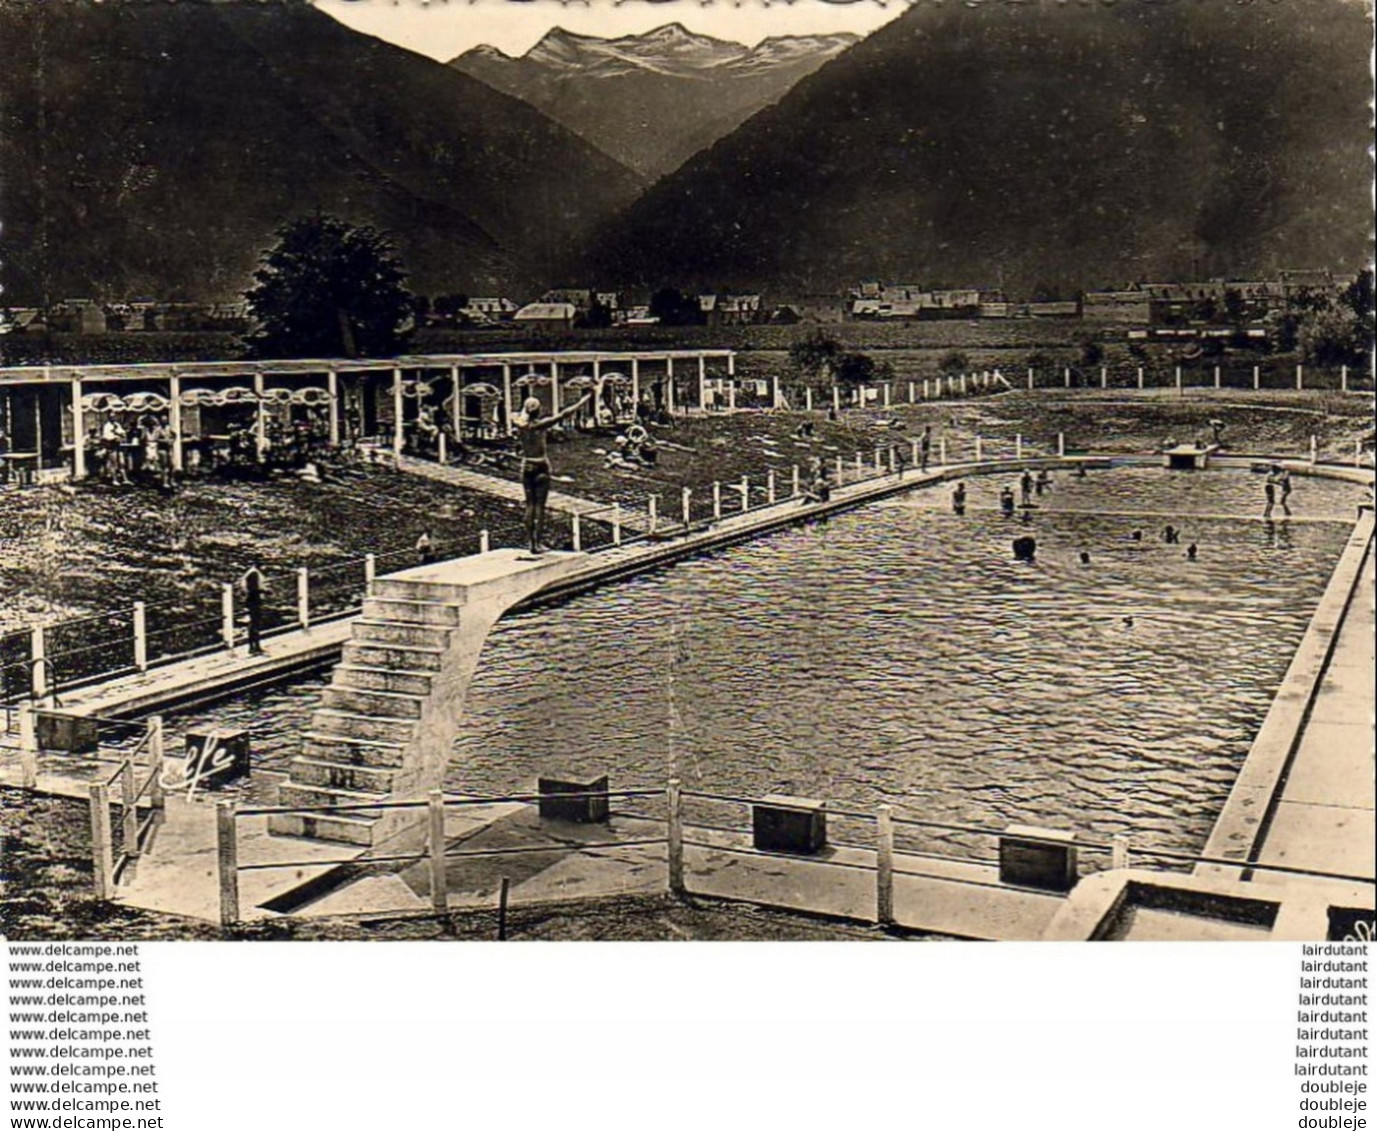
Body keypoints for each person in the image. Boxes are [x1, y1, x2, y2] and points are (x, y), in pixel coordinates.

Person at [515, 393, 591, 554]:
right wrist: (584, 398)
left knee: (529, 504)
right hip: (540, 464)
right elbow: (564, 414)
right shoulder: (541, 425)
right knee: (540, 507)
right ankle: (538, 543)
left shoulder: (520, 425)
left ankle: (531, 543)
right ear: (538, 410)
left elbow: (516, 416)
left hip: (526, 463)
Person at [239, 564, 267, 656]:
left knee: (254, 624)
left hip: (252, 600)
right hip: (254, 601)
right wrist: (265, 591)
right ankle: (254, 647)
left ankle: (255, 646)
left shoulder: (252, 573)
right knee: (254, 624)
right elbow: (254, 589)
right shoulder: (254, 574)